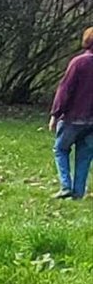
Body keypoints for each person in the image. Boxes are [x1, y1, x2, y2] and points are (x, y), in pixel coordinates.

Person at [50, 27, 93, 199]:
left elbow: (65, 89)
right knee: (85, 156)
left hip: (73, 117)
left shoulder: (79, 62)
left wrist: (55, 114)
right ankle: (78, 192)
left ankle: (65, 185)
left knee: (61, 149)